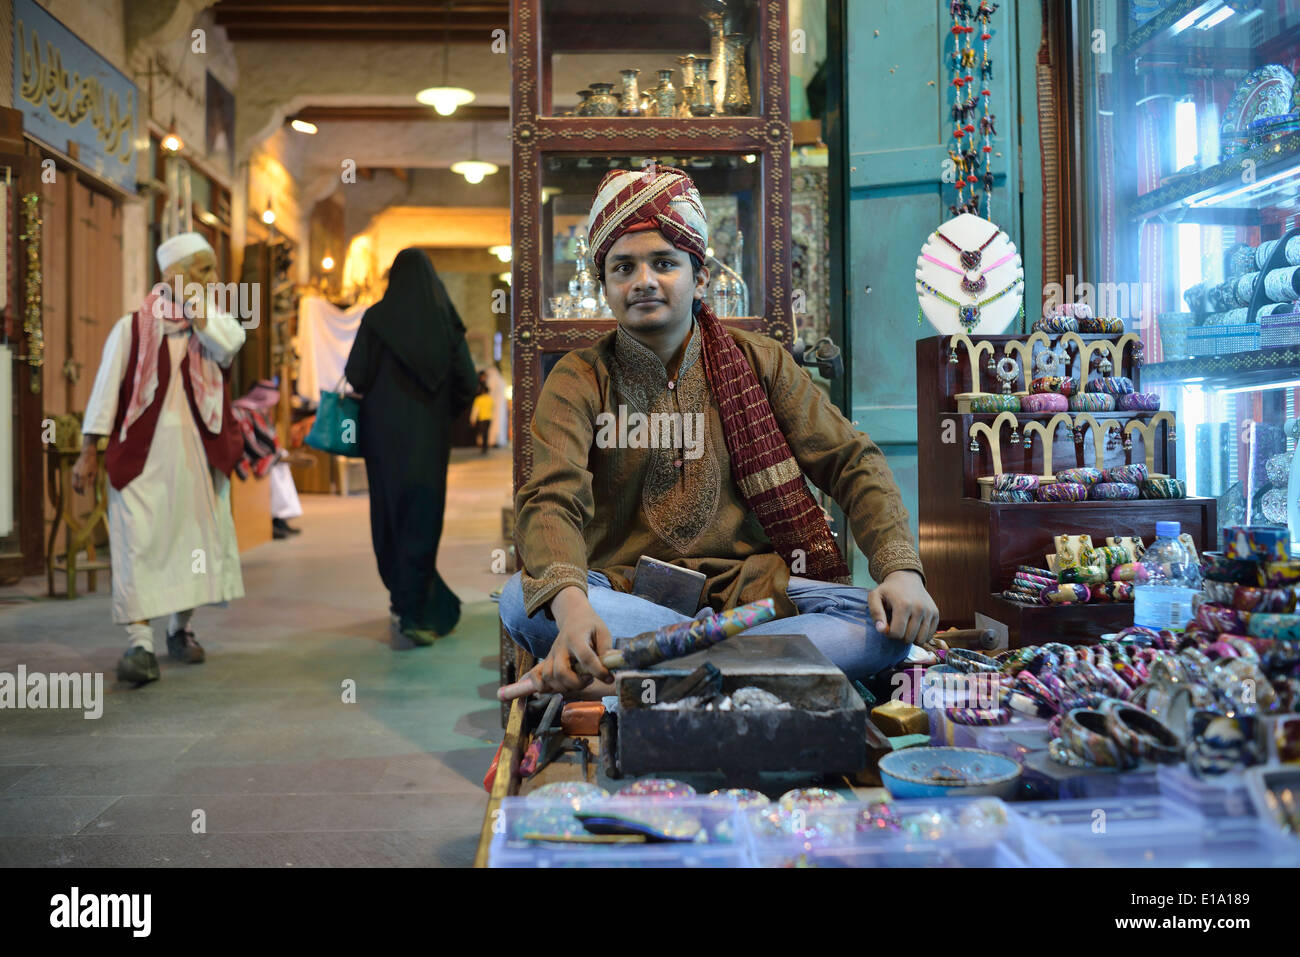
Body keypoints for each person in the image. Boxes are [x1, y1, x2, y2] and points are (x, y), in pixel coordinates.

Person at [498, 164, 940, 701]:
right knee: (521, 600)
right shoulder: (580, 377)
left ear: (699, 276)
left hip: (749, 600)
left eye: (664, 263)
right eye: (623, 268)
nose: (643, 281)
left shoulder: (760, 362)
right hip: (624, 594)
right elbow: (550, 499)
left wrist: (902, 571)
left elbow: (851, 461)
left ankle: (653, 671)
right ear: (605, 286)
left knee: (878, 626)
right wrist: (573, 611)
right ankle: (752, 669)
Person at [73, 232, 246, 685]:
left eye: (213, 269)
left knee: (191, 545)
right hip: (142, 461)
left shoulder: (212, 328)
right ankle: (139, 645)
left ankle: (180, 629)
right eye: (204, 270)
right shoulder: (131, 328)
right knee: (140, 546)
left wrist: (197, 308)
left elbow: (231, 343)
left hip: (195, 460)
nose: (214, 278)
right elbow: (105, 393)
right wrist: (89, 451)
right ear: (174, 275)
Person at [344, 248, 478, 645]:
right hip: (429, 439)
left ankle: (406, 602)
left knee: (389, 516)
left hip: (381, 438)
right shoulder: (446, 322)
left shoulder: (376, 319)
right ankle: (416, 608)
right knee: (423, 516)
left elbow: (356, 374)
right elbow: (467, 383)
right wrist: (442, 416)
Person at [469, 381, 494, 455]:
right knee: (486, 433)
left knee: (483, 433)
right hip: (489, 418)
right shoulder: (490, 399)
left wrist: (472, 419)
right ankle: (485, 447)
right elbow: (493, 409)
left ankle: (484, 448)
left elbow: (475, 410)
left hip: (482, 418)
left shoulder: (479, 399)